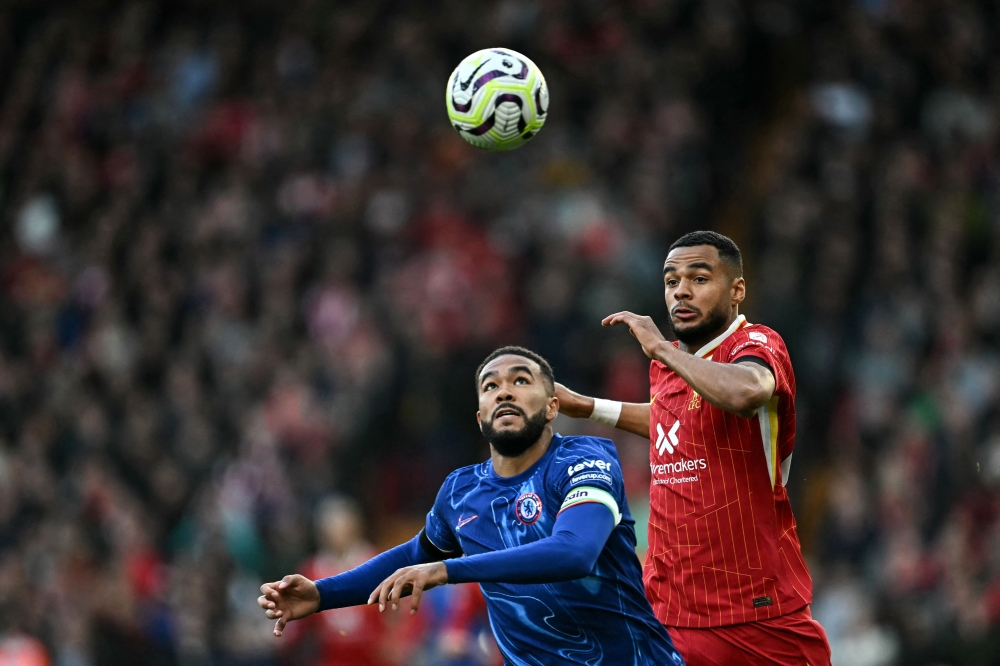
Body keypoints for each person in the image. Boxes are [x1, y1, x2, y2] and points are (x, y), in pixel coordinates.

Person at [258, 346, 685, 666]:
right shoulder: (462, 491)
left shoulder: (585, 460)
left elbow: (575, 550)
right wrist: (321, 595)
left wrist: (447, 570)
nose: (505, 392)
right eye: (491, 386)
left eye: (521, 381)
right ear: (480, 416)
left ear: (553, 405)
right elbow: (413, 556)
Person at [556, 231, 832, 666]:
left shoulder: (756, 345)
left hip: (759, 616)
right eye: (671, 281)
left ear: (737, 289)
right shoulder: (668, 366)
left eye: (699, 279)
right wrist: (588, 405)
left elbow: (746, 393)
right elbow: (674, 421)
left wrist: (663, 350)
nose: (681, 290)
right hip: (671, 614)